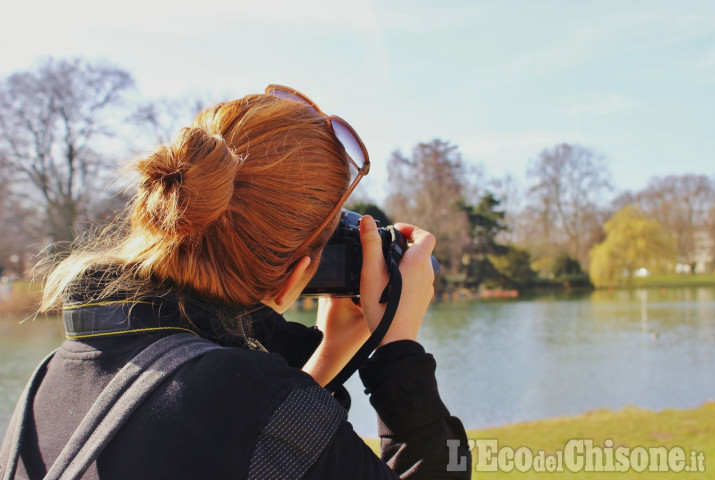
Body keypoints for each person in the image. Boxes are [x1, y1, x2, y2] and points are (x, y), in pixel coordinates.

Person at [0, 85, 471, 479]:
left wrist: (329, 353)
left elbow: (238, 450)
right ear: (296, 275)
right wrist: (397, 349)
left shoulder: (51, 377)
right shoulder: (253, 398)